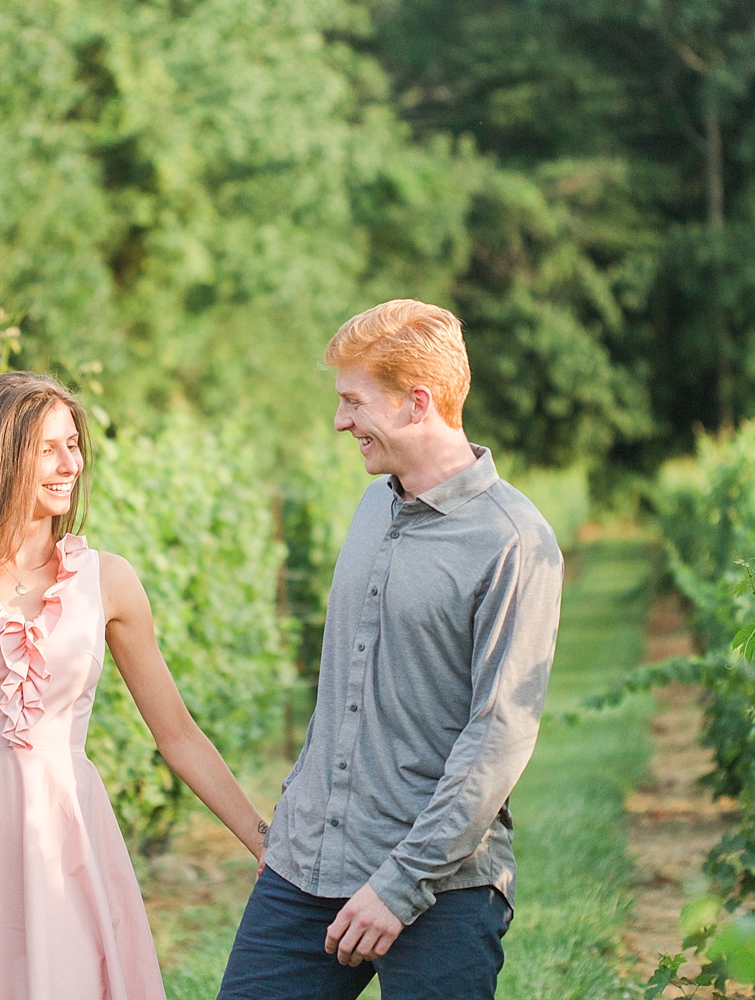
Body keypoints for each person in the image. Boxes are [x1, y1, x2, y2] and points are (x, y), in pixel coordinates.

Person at [0, 371, 268, 999]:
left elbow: (178, 734)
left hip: (64, 836)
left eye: (74, 445)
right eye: (49, 449)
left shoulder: (108, 581)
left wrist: (263, 841)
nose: (70, 465)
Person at [218, 300, 564, 1000]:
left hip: (442, 887)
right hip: (305, 872)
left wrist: (398, 886)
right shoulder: (372, 505)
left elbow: (498, 737)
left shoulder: (514, 542)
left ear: (416, 403)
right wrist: (293, 829)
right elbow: (345, 688)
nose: (340, 421)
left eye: (353, 401)